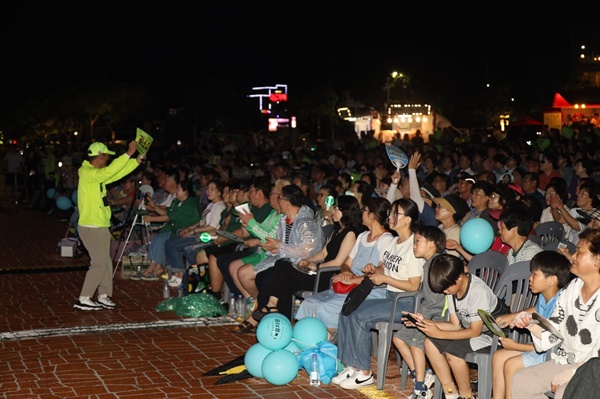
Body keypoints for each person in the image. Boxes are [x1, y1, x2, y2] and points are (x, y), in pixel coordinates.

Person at [235, 195, 365, 333]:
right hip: (319, 271)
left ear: (346, 211)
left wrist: (318, 266)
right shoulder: (337, 230)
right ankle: (281, 323)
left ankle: (269, 308)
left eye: (337, 208)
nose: (333, 211)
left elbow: (339, 262)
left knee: (283, 267)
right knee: (278, 280)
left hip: (328, 276)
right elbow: (323, 254)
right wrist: (310, 260)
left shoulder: (350, 233)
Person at [334, 198, 425, 389]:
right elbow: (385, 268)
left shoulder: (413, 245)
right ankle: (351, 365)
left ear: (407, 219)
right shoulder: (393, 242)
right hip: (390, 297)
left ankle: (364, 373)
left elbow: (414, 286)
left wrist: (385, 279)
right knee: (348, 308)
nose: (390, 217)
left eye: (395, 214)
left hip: (406, 303)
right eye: (391, 213)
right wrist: (375, 269)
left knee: (360, 316)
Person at [511, 228, 600, 399]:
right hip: (566, 360)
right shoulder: (572, 289)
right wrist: (532, 324)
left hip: (591, 370)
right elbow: (554, 330)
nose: (572, 256)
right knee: (521, 381)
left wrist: (575, 371)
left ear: (597, 260)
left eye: (579, 251)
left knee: (563, 393)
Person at [231, 184, 325, 331]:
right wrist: (274, 248)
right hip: (286, 264)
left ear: (287, 202)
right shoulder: (284, 220)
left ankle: (264, 316)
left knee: (274, 275)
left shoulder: (305, 222)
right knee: (263, 277)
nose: (276, 200)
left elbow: (307, 252)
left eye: (279, 198)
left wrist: (279, 246)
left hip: (304, 268)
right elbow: (281, 247)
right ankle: (269, 314)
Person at [295, 196, 393, 334]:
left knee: (323, 306)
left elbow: (380, 274)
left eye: (364, 210)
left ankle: (332, 340)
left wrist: (353, 279)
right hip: (350, 285)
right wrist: (346, 272)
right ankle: (311, 339)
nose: (361, 213)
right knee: (310, 302)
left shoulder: (387, 240)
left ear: (372, 216)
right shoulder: (362, 236)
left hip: (369, 290)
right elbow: (346, 264)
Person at [415, 253, 501, 399]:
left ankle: (466, 396)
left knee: (453, 353)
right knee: (429, 343)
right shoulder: (452, 287)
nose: (445, 292)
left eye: (446, 289)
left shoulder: (477, 291)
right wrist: (425, 322)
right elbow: (455, 325)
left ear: (459, 277)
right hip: (473, 332)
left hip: (493, 336)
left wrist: (440, 333)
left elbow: (475, 331)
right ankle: (451, 394)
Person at [491, 250, 573, 399]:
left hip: (553, 354)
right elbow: (536, 309)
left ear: (552, 280)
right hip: (541, 350)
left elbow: (551, 346)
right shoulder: (544, 296)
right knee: (498, 357)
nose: (530, 278)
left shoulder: (561, 304)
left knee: (510, 365)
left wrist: (515, 346)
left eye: (535, 274)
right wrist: (513, 316)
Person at [73, 141, 143, 311]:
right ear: (100, 155)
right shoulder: (88, 173)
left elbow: (114, 175)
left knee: (105, 261)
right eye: (106, 156)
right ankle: (84, 298)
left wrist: (135, 162)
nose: (108, 160)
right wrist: (128, 154)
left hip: (100, 224)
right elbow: (111, 171)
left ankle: (103, 295)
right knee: (99, 263)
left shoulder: (96, 174)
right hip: (91, 226)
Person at [393, 225, 447, 399]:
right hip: (425, 312)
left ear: (431, 244)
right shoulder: (428, 264)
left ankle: (420, 389)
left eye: (417, 241)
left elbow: (440, 300)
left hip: (437, 316)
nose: (414, 245)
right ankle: (422, 374)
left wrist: (424, 318)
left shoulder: (437, 264)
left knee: (416, 342)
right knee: (399, 338)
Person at [129, 179, 200, 281]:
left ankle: (151, 270)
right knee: (155, 238)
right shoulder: (177, 202)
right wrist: (154, 206)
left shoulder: (189, 205)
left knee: (159, 239)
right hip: (172, 229)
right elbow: (166, 212)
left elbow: (168, 217)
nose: (176, 190)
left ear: (186, 191)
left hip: (181, 231)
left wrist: (151, 218)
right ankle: (156, 268)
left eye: (179, 189)